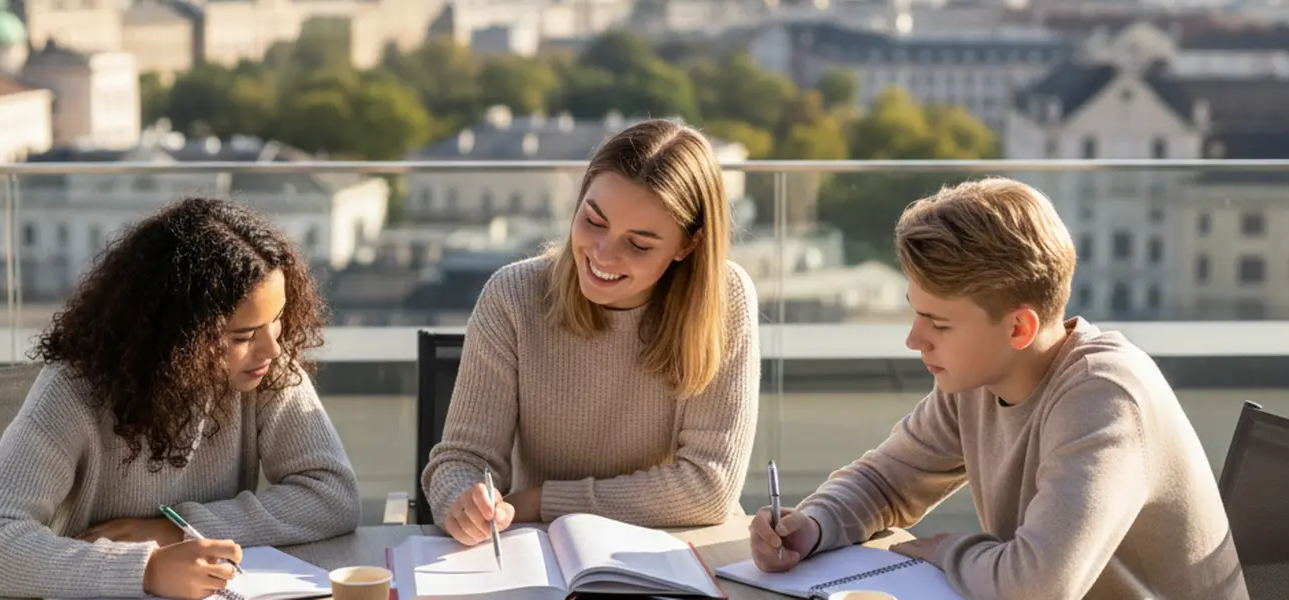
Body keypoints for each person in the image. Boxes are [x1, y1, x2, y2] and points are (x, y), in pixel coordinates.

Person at [748, 177, 1248, 600]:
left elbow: (1038, 586)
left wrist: (947, 551)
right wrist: (812, 526)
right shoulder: (978, 381)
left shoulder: (1104, 398)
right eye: (916, 313)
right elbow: (885, 482)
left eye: (939, 324)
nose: (914, 340)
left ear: (1018, 328)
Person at [0, 197, 361, 600]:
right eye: (243, 335)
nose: (272, 348)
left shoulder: (265, 366)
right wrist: (147, 570)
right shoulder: (72, 392)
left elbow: (332, 496)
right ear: (179, 338)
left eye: (277, 319)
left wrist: (177, 530)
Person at [421, 118, 761, 546]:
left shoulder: (725, 301)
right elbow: (461, 460)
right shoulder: (513, 296)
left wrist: (541, 502)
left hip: (677, 552)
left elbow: (708, 488)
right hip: (545, 552)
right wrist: (462, 501)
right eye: (593, 221)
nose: (602, 254)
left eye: (638, 244)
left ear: (687, 245)